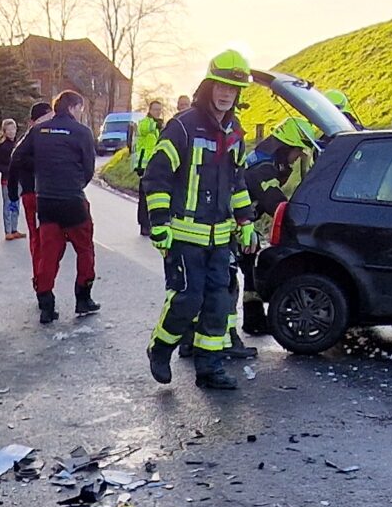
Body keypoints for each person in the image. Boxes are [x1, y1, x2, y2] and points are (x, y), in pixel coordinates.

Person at [141, 50, 256, 389]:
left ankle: (210, 369)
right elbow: (156, 176)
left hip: (220, 237)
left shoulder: (235, 131)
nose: (226, 94)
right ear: (209, 86)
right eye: (221, 87)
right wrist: (159, 224)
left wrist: (246, 221)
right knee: (187, 299)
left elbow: (237, 181)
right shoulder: (183, 126)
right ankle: (160, 348)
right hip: (184, 234)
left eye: (233, 90)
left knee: (218, 303)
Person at [230, 116, 322, 353]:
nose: (297, 159)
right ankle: (222, 336)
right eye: (297, 153)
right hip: (230, 227)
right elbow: (275, 203)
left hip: (240, 225)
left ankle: (253, 321)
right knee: (226, 280)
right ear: (285, 148)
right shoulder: (264, 169)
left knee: (249, 271)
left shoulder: (266, 159)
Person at [24, 90, 101, 324]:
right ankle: (83, 298)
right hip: (73, 201)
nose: (81, 113)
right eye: (80, 109)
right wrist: (76, 182)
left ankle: (46, 305)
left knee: (48, 254)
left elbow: (18, 156)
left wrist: (41, 174)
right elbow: (89, 167)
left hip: (46, 201)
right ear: (72, 107)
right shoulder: (82, 132)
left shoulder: (37, 131)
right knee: (84, 249)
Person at [11, 100, 53, 240]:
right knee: (37, 236)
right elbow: (16, 160)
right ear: (32, 122)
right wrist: (12, 193)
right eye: (45, 119)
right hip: (32, 193)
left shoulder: (54, 137)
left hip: (52, 193)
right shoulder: (28, 140)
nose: (49, 122)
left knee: (51, 238)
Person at [0, 118, 25, 240]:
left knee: (16, 204)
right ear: (4, 131)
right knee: (8, 204)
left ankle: (14, 229)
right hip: (7, 180)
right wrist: (8, 170)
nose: (11, 132)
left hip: (19, 180)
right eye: (9, 130)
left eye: (13, 129)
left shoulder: (19, 145)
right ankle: (8, 230)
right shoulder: (1, 147)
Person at [133, 99, 167, 170]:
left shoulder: (158, 125)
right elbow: (145, 128)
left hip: (154, 162)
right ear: (150, 111)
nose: (158, 112)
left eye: (159, 110)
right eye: (156, 109)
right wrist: (158, 125)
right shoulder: (144, 122)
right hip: (143, 163)